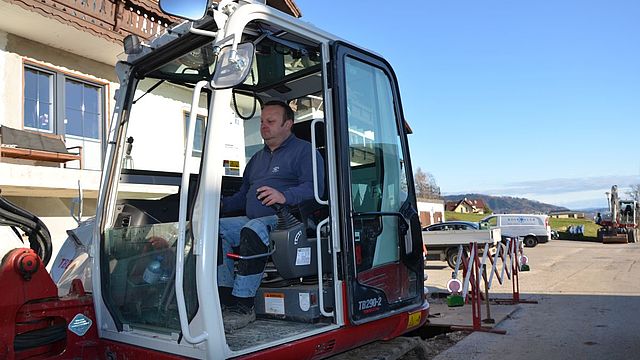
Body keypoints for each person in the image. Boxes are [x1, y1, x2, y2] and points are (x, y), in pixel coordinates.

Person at [217, 100, 324, 332]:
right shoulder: (256, 159)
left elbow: (314, 189)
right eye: (262, 121)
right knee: (214, 229)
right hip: (252, 218)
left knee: (252, 230)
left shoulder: (305, 151)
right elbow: (242, 195)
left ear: (288, 124)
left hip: (289, 219)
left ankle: (243, 305)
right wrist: (219, 205)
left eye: (271, 121)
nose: (264, 126)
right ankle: (223, 299)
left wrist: (284, 196)